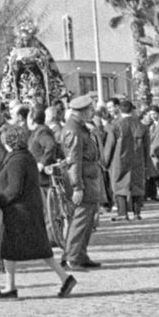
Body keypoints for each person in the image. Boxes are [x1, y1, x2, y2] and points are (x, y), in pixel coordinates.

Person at [0, 123, 76, 299]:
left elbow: (14, 188)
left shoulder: (16, 160)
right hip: (28, 208)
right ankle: (62, 278)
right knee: (34, 249)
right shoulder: (25, 156)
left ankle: (12, 286)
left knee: (12, 249)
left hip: (19, 211)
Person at [59, 95, 105, 270]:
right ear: (82, 111)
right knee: (80, 219)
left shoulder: (80, 128)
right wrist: (77, 186)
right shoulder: (74, 130)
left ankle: (80, 254)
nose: (92, 113)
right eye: (89, 110)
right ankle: (72, 257)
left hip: (89, 178)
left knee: (86, 220)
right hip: (83, 180)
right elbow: (74, 161)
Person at [103, 100, 146, 221]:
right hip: (137, 159)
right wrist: (146, 163)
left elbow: (109, 146)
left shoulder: (115, 125)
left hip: (119, 160)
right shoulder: (141, 125)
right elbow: (146, 147)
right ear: (132, 110)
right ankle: (137, 213)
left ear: (120, 110)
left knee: (119, 185)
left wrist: (105, 162)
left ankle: (123, 213)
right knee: (137, 184)